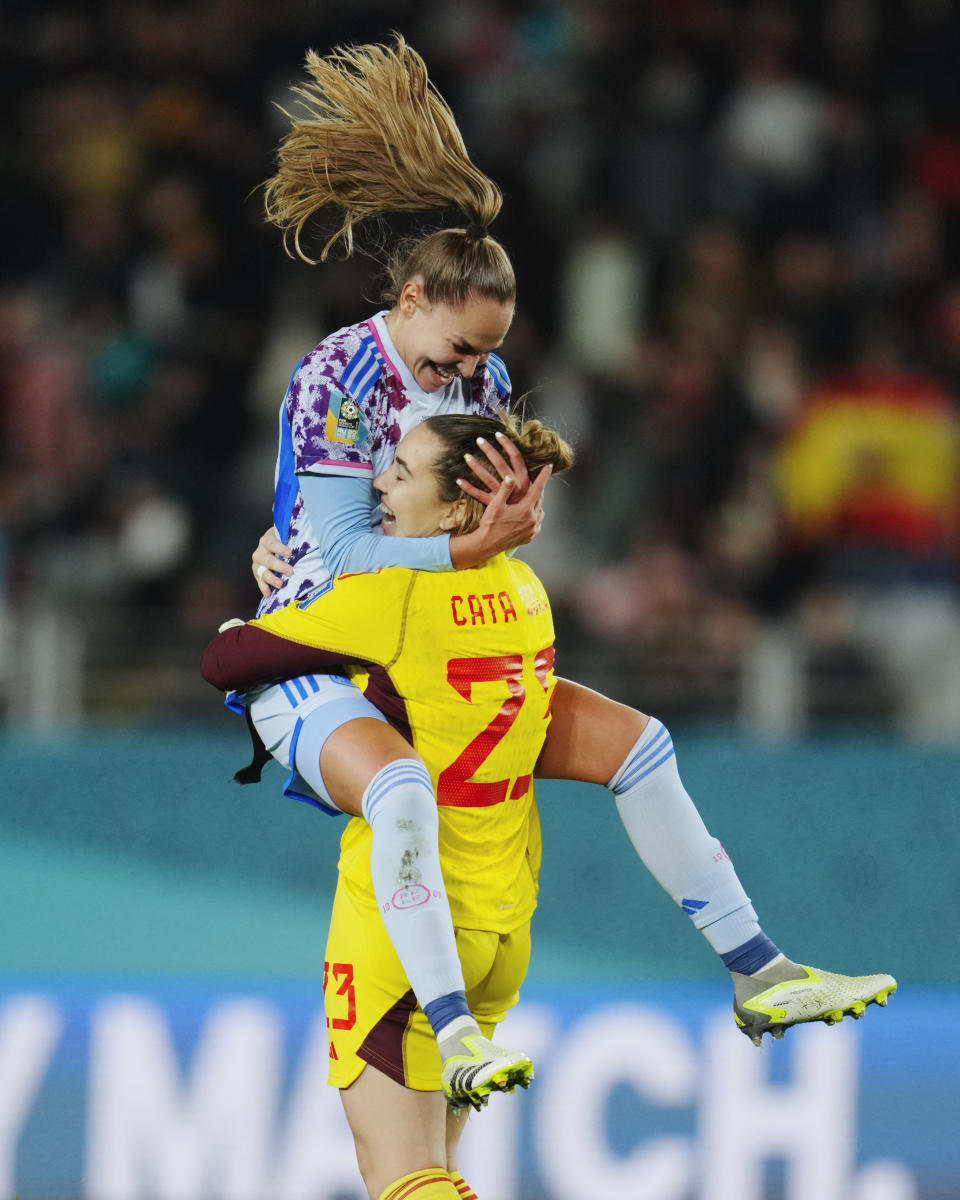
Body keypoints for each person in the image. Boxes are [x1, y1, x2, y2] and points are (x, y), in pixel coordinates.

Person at [246, 31, 896, 1074]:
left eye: (490, 355)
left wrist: (484, 548)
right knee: (403, 790)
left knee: (640, 747)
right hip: (343, 646)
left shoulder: (483, 386)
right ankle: (451, 1026)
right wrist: (452, 555)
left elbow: (458, 525)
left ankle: (760, 970)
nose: (473, 372)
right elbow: (342, 549)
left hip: (444, 641)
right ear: (408, 299)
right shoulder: (338, 379)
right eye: (458, 349)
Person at [203, 413, 575, 1200]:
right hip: (500, 925)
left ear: (452, 512)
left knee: (401, 1181)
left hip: (403, 926)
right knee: (437, 1174)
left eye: (400, 473)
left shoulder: (396, 593)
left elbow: (229, 660)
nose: (377, 480)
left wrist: (258, 605)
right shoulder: (527, 591)